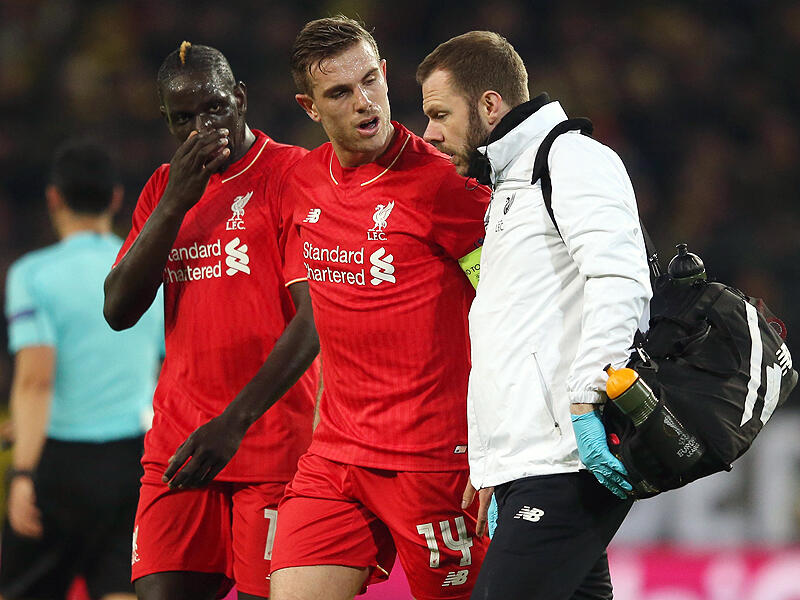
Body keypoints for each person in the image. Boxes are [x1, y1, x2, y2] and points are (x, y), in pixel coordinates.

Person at [417, 32, 653, 599]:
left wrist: (588, 399)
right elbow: (511, 332)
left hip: (565, 459)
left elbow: (621, 280)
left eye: (440, 114)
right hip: (528, 465)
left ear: (489, 104)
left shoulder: (571, 159)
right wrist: (491, 466)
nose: (429, 133)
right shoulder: (510, 184)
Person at [268, 16, 490, 600]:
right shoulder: (303, 183)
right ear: (310, 107)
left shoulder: (444, 187)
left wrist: (501, 440)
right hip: (336, 455)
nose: (364, 103)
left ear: (386, 75)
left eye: (370, 81)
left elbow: (509, 304)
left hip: (434, 461)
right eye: (340, 92)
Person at [102, 42, 319, 600]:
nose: (202, 128)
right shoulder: (163, 188)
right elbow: (118, 310)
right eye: (183, 118)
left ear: (240, 99)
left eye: (214, 108)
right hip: (178, 447)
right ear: (167, 122)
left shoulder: (292, 174)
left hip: (270, 444)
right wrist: (175, 202)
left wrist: (235, 421)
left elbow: (315, 318)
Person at [0, 139, 163, 600]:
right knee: (120, 588)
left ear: (53, 198)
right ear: (116, 198)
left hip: (60, 464)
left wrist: (23, 472)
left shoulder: (33, 275)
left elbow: (36, 380)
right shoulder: (147, 269)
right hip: (134, 460)